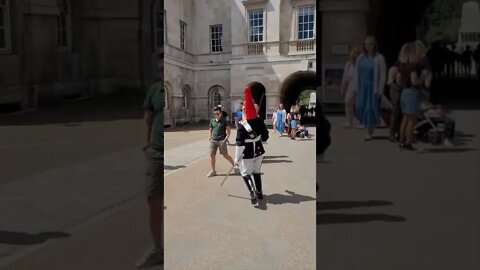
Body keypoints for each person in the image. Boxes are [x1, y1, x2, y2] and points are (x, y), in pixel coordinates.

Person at [136, 79, 164, 268]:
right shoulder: (154, 90)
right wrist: (146, 145)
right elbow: (148, 118)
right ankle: (157, 249)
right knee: (152, 197)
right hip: (156, 151)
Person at [235, 86, 269, 205]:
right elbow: (265, 136)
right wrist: (259, 137)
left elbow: (239, 142)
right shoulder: (260, 121)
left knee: (245, 173)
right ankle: (259, 193)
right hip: (259, 151)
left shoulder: (242, 124)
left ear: (245, 110)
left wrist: (236, 157)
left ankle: (253, 191)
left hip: (247, 152)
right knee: (256, 171)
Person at [398, 41, 432, 151]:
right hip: (412, 94)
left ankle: (402, 140)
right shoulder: (413, 68)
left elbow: (398, 81)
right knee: (412, 121)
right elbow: (414, 81)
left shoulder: (401, 67)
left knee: (405, 118)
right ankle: (409, 142)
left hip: (404, 92)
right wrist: (421, 81)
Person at [353, 36, 387, 140]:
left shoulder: (379, 58)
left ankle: (369, 131)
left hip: (373, 87)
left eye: (371, 44)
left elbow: (382, 75)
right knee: (360, 108)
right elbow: (356, 73)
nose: (369, 46)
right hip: (362, 86)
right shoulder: (360, 58)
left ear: (374, 45)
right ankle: (367, 126)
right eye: (367, 44)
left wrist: (380, 89)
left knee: (370, 109)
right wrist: (355, 87)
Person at [207, 106, 235, 177]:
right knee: (212, 155)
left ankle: (235, 165)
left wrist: (225, 139)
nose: (216, 115)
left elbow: (229, 131)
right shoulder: (212, 120)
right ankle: (213, 171)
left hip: (221, 140)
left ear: (221, 113)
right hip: (213, 140)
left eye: (218, 113)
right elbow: (210, 129)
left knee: (225, 155)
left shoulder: (224, 120)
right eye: (215, 114)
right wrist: (210, 137)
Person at [341, 47, 360, 127]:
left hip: (360, 88)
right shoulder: (348, 65)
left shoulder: (361, 65)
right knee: (348, 102)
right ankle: (350, 121)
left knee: (359, 105)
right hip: (351, 87)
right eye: (354, 56)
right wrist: (343, 88)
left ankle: (361, 121)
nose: (355, 57)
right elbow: (345, 78)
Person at [387, 58, 403, 142]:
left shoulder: (394, 68)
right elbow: (397, 81)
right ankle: (392, 134)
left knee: (398, 113)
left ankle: (397, 133)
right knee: (396, 112)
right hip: (395, 89)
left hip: (395, 88)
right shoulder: (394, 69)